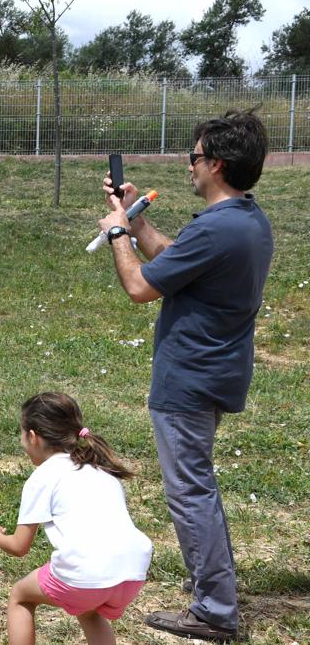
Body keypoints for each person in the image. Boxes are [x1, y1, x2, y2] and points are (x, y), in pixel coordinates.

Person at [97, 108, 273, 642]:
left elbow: (141, 287)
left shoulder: (218, 228)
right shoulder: (245, 221)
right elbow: (178, 264)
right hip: (216, 373)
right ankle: (213, 593)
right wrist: (139, 220)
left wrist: (117, 235)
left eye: (193, 157)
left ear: (216, 164)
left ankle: (216, 610)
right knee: (197, 487)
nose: (188, 167)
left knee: (191, 493)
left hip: (189, 381)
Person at [0, 392, 152, 645]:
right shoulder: (100, 469)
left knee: (20, 596)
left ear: (32, 437)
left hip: (85, 573)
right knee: (89, 610)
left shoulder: (43, 476)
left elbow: (19, 547)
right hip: (133, 573)